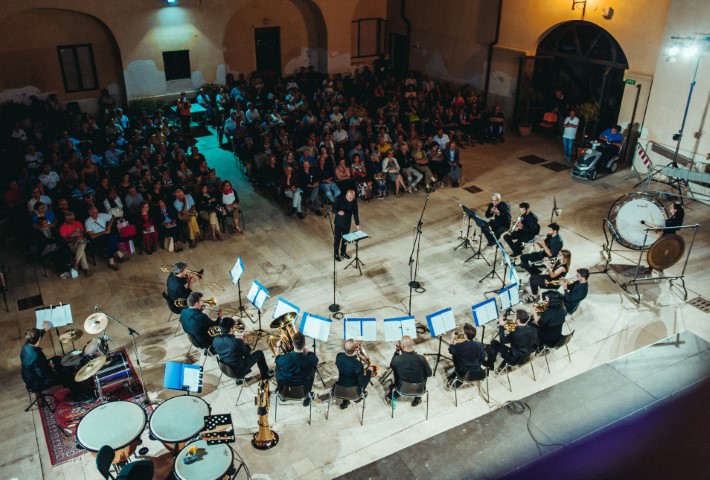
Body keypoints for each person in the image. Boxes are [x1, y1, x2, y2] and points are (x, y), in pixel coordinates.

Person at [21, 322, 85, 399]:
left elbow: (36, 336)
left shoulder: (27, 345)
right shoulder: (36, 356)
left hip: (30, 374)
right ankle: (79, 395)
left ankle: (66, 382)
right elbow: (43, 374)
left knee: (57, 358)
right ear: (39, 339)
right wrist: (51, 367)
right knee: (66, 375)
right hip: (37, 382)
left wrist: (45, 329)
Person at [274, 332, 319, 406]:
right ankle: (307, 394)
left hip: (285, 387)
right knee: (312, 369)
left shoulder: (286, 358)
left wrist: (278, 347)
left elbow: (277, 359)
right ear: (304, 344)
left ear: (293, 344)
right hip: (302, 390)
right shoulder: (309, 359)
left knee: (278, 367)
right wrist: (306, 350)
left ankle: (281, 391)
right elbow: (316, 360)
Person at [387, 335, 432, 407]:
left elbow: (392, 366)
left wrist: (397, 351)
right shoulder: (421, 358)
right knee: (424, 374)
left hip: (402, 388)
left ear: (401, 346)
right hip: (419, 389)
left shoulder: (397, 359)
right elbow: (429, 374)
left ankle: (391, 396)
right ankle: (418, 398)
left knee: (396, 371)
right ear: (413, 342)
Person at [335, 339, 374, 409]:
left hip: (338, 390)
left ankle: (345, 402)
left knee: (347, 378)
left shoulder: (339, 356)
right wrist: (369, 372)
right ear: (355, 350)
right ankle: (359, 397)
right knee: (362, 381)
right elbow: (361, 383)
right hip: (353, 393)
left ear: (344, 348)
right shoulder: (358, 365)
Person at [84, 206, 126, 271]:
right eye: (94, 212)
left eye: (97, 212)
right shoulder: (88, 222)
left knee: (110, 239)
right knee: (110, 238)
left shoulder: (101, 215)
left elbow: (113, 216)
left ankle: (111, 262)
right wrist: (104, 232)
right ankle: (119, 254)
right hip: (97, 238)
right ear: (90, 213)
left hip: (106, 235)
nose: (97, 213)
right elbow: (92, 236)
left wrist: (109, 225)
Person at [58, 211, 91, 277]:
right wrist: (75, 238)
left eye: (73, 218)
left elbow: (84, 233)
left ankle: (76, 263)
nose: (73, 220)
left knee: (82, 244)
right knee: (82, 250)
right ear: (66, 219)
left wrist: (82, 236)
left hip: (81, 241)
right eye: (70, 219)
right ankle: (85, 268)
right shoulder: (62, 227)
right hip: (71, 244)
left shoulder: (78, 223)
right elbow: (65, 240)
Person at [333, 189, 360, 262]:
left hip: (347, 223)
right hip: (339, 223)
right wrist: (338, 212)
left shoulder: (354, 201)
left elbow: (355, 213)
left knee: (345, 239)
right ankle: (336, 254)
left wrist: (357, 224)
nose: (351, 199)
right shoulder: (339, 199)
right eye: (350, 198)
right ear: (347, 195)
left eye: (352, 198)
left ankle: (343, 252)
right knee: (337, 239)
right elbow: (333, 209)